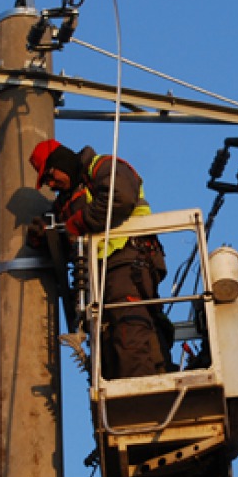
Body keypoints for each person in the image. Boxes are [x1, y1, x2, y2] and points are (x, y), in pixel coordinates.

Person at [27, 138, 173, 379]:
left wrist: (77, 223)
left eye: (51, 176)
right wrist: (41, 236)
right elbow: (63, 240)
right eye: (46, 182)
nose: (51, 185)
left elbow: (120, 198)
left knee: (129, 327)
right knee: (110, 336)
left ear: (61, 162)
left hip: (128, 259)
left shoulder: (102, 167)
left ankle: (140, 390)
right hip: (103, 274)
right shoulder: (66, 202)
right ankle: (148, 381)